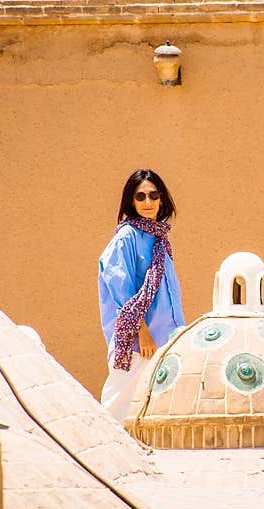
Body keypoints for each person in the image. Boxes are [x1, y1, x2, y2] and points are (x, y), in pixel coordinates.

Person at [97, 169, 185, 424]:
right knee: (119, 405)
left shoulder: (158, 239)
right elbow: (119, 289)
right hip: (139, 343)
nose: (148, 202)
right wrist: (141, 331)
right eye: (140, 196)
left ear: (161, 199)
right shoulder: (127, 237)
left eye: (153, 195)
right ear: (131, 202)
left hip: (166, 338)